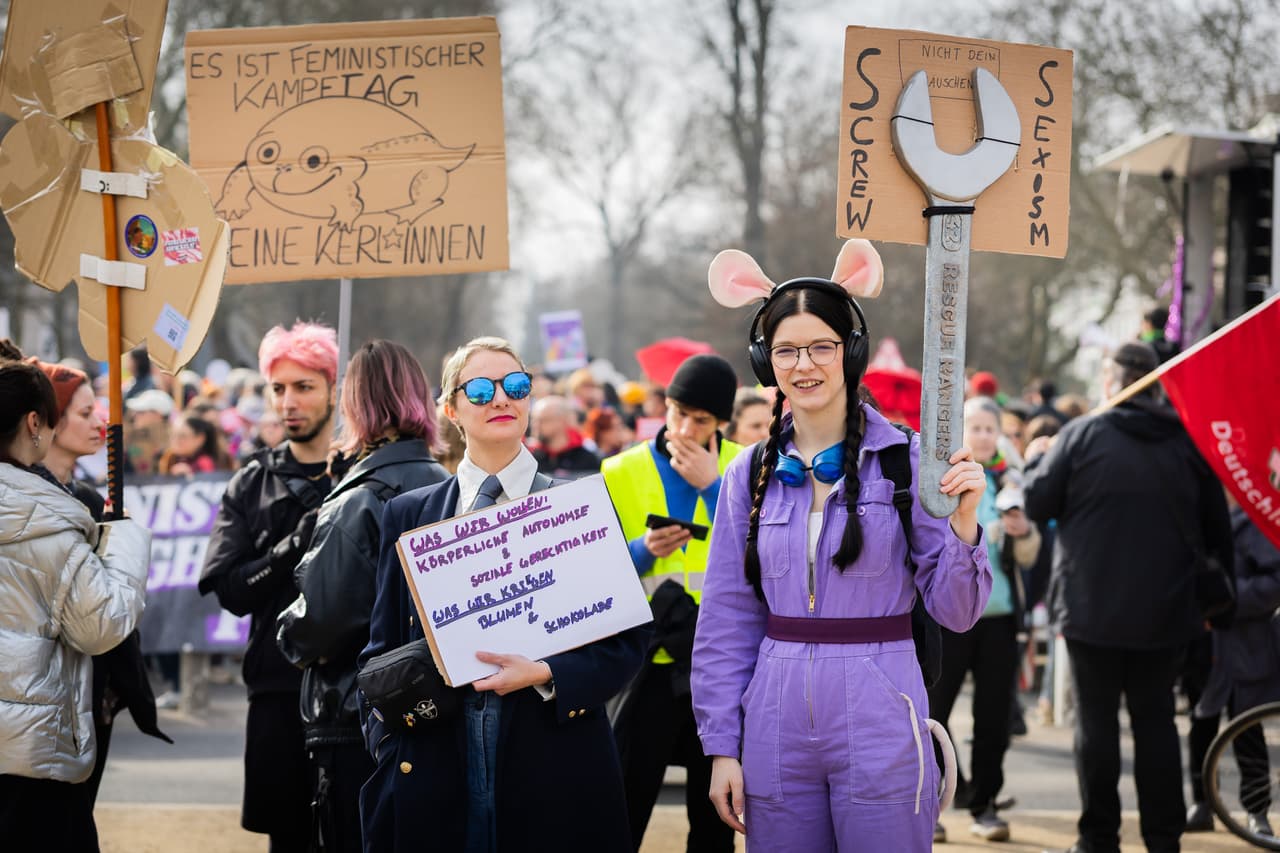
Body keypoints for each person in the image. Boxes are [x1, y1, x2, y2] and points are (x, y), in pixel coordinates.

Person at [690, 240, 992, 852]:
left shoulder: (909, 463)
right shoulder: (745, 473)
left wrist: (964, 525)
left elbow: (958, 612)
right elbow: (725, 619)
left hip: (883, 715)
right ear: (763, 361)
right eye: (786, 351)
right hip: (773, 724)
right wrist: (722, 746)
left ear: (850, 351)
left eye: (822, 347)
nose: (805, 365)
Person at [359, 336, 649, 852]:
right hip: (436, 761)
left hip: (552, 760)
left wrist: (547, 674)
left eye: (515, 385)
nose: (501, 398)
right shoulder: (409, 515)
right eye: (480, 388)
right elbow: (380, 648)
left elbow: (626, 645)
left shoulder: (579, 505)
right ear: (450, 409)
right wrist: (385, 740)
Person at [1023, 342, 1233, 853]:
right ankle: (1164, 838)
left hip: (1089, 608)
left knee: (1095, 728)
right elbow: (1216, 529)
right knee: (1157, 722)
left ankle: (1099, 837)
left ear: (1112, 382)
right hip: (1167, 610)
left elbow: (1037, 501)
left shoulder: (1081, 436)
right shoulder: (1185, 441)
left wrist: (1035, 464)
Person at [275, 340, 449, 852]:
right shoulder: (448, 485)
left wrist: (287, 631)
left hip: (359, 713)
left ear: (356, 404)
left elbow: (321, 621)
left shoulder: (360, 497)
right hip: (437, 707)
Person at [199, 321, 340, 852]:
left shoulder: (364, 475)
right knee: (289, 838)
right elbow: (232, 591)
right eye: (277, 389)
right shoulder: (251, 481)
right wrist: (289, 548)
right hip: (278, 688)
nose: (288, 402)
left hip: (356, 689)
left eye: (304, 387)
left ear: (334, 389)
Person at [0, 359, 151, 850]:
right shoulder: (48, 519)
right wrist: (126, 544)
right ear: (34, 424)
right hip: (30, 753)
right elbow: (101, 625)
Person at [604, 352, 745, 853]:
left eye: (700, 419)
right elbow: (593, 573)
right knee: (623, 810)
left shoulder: (744, 467)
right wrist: (642, 552)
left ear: (721, 423)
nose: (684, 427)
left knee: (714, 825)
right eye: (676, 411)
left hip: (720, 671)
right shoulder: (618, 470)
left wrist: (716, 486)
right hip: (646, 667)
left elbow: (771, 556)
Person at [29, 358, 171, 805]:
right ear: (48, 420)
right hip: (47, 692)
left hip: (98, 692)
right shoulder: (23, 502)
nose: (101, 421)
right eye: (85, 412)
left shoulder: (89, 498)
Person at [927, 395, 1039, 843]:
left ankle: (985, 804)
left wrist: (1023, 532)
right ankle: (931, 802)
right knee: (935, 712)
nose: (983, 435)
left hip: (999, 617)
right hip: (948, 616)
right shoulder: (941, 477)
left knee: (994, 716)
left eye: (990, 429)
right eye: (974, 427)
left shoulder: (1011, 481)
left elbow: (1030, 556)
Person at [1185, 496, 1280, 837]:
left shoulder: (1257, 521)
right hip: (1203, 644)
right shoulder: (1195, 516)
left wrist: (1225, 600)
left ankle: (1257, 809)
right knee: (1201, 722)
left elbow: (1273, 584)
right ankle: (1201, 801)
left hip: (1246, 644)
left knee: (1246, 729)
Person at [527, 394, 601, 478]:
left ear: (563, 421)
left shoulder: (587, 459)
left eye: (544, 420)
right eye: (534, 420)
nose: (536, 425)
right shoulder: (530, 458)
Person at [158, 413, 234, 475]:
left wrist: (189, 477)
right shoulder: (170, 458)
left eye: (182, 436)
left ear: (200, 438)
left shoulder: (206, 463)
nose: (176, 440)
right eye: (173, 435)